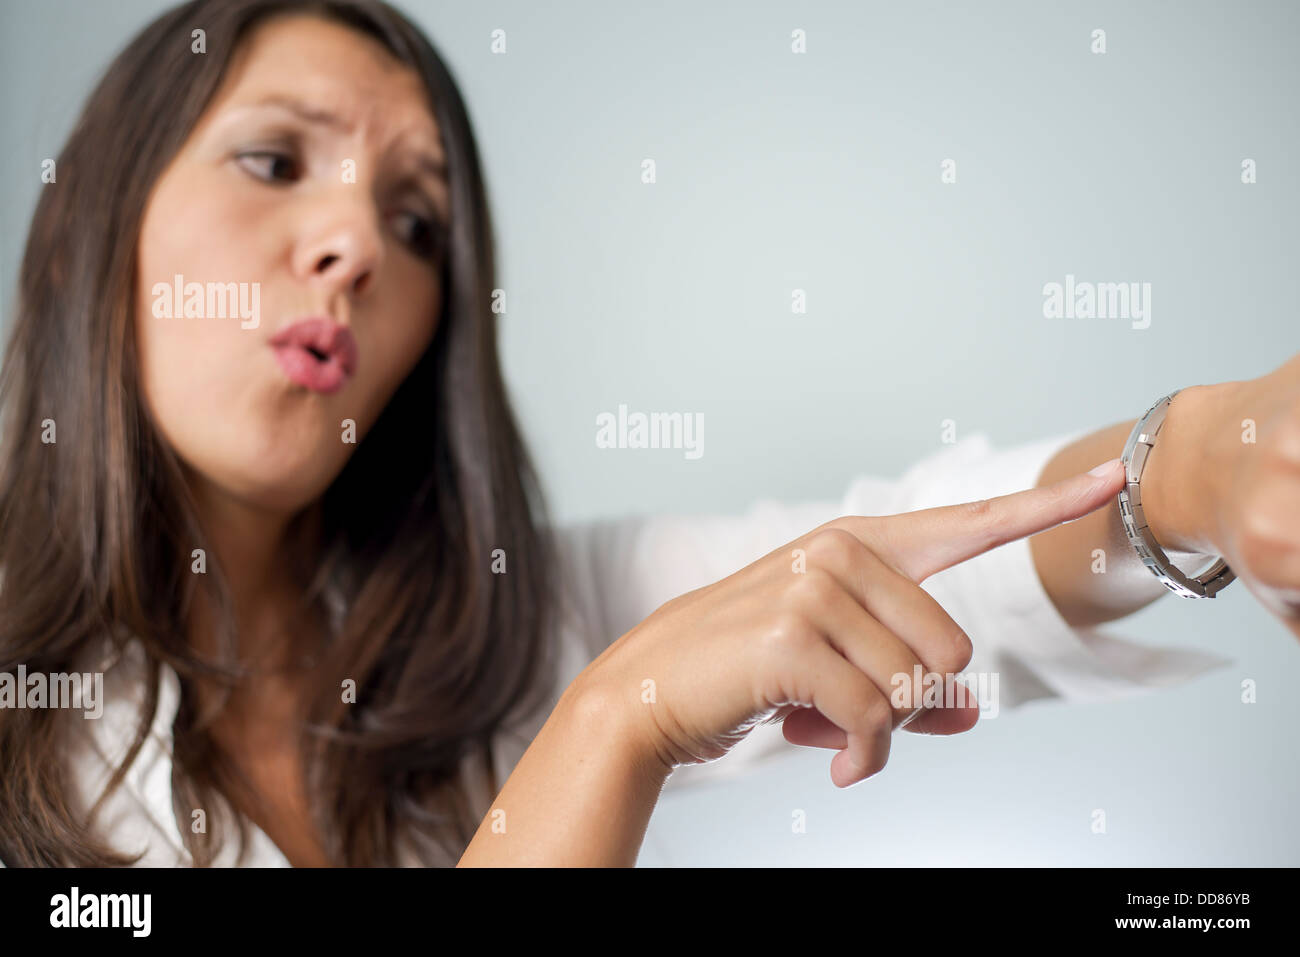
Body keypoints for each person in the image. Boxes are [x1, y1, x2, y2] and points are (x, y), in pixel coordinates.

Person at [0, 0, 1296, 868]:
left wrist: (1194, 463)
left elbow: (892, 560)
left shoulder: (508, 621)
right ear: (79, 244)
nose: (352, 250)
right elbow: (634, 690)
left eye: (418, 225)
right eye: (276, 162)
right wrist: (615, 716)